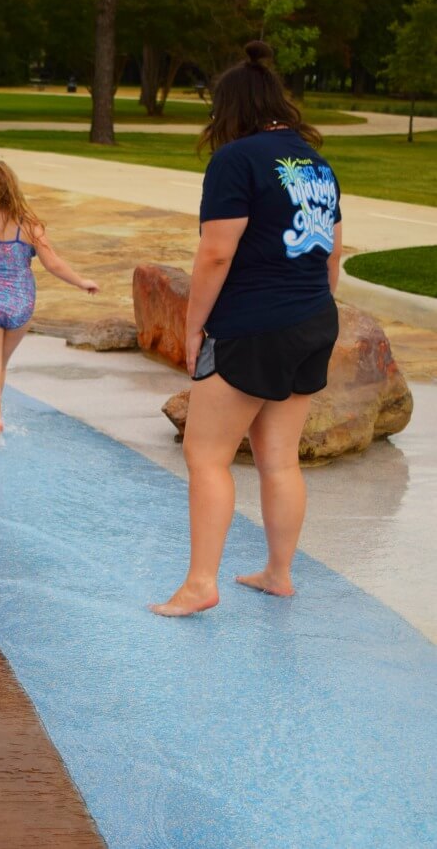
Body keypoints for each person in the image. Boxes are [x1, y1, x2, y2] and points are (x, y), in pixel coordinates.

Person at [150, 40, 342, 617]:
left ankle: (199, 584)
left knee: (205, 455)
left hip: (253, 326)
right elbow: (331, 255)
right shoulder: (316, 164)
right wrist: (308, 312)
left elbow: (214, 255)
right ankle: (279, 574)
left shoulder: (236, 161)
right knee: (279, 458)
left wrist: (193, 328)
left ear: (229, 109)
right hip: (313, 319)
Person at [0, 160, 100, 451]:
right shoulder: (30, 225)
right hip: (22, 303)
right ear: (12, 188)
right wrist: (81, 281)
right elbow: (53, 264)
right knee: (0, 366)